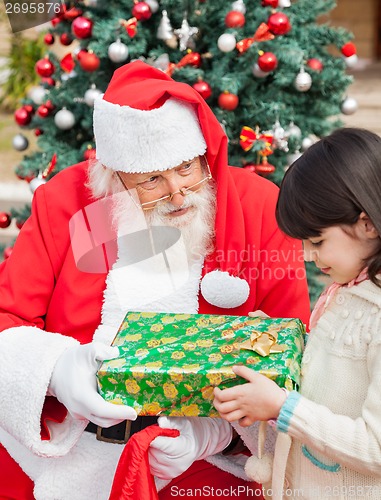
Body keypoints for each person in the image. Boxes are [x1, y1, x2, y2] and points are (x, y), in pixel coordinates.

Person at [0, 60, 310, 500]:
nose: (179, 194)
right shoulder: (69, 205)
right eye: (152, 181)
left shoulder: (258, 207)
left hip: (208, 465)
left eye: (187, 168)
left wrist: (211, 433)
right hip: (66, 449)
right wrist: (54, 370)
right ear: (114, 178)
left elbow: (288, 349)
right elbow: (6, 318)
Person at [214, 127, 381, 500]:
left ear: (367, 223)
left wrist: (282, 407)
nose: (308, 255)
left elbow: (375, 448)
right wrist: (282, 341)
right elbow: (336, 372)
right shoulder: (347, 287)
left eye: (318, 241)